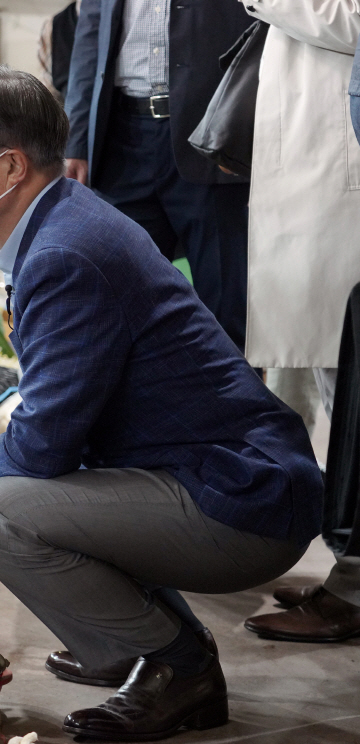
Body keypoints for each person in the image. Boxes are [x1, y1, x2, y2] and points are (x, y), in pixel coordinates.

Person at [0, 66, 322, 740]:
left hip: (240, 500)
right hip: (211, 473)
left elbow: (47, 442)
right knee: (13, 479)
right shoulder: (63, 220)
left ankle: (177, 667)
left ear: (9, 165)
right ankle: (143, 647)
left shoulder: (64, 253)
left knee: (0, 512)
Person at [239, 2, 360, 643]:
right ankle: (349, 575)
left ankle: (356, 588)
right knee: (338, 396)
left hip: (339, 171)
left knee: (354, 401)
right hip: (309, 165)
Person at [64, 0, 252, 351]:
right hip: (122, 139)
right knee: (113, 299)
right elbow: (91, 32)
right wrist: (75, 139)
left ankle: (232, 405)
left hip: (210, 133)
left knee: (227, 307)